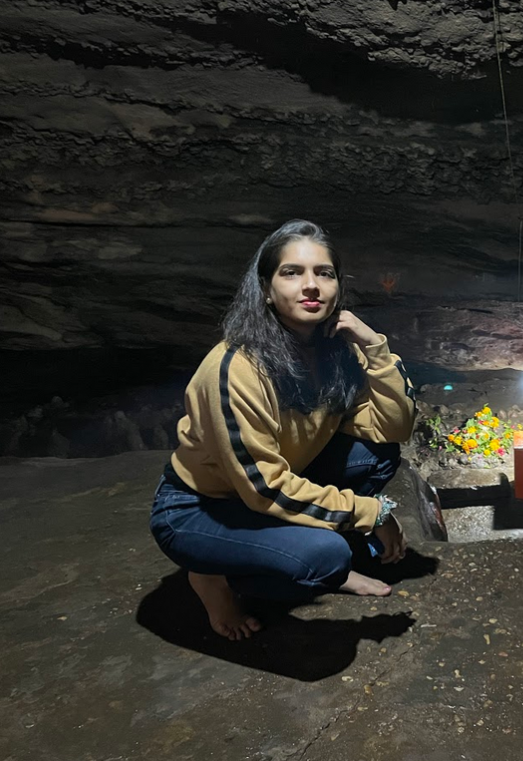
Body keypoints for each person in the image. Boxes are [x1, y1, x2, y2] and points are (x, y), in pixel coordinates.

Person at [149, 219, 417, 640]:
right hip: (201, 507)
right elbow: (266, 488)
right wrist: (373, 512)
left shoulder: (336, 351)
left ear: (337, 288)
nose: (311, 285)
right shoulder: (236, 368)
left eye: (323, 273)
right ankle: (212, 576)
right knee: (324, 557)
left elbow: (393, 427)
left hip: (267, 485)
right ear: (266, 291)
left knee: (378, 454)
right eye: (291, 272)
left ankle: (285, 551)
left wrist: (374, 347)